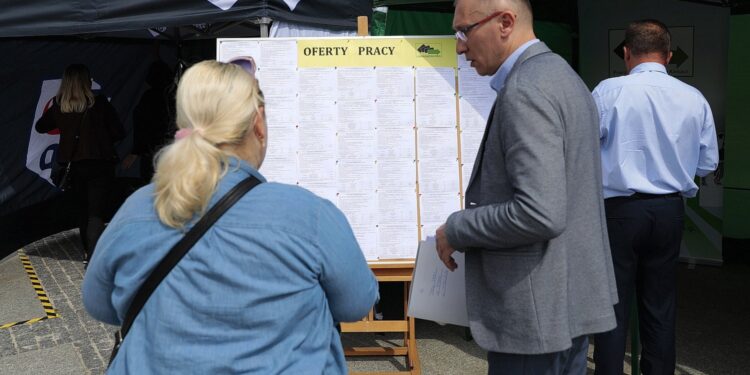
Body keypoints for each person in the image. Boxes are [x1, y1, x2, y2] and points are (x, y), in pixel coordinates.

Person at [81, 60, 379, 374]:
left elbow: (98, 302)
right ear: (258, 124)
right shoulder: (309, 214)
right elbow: (356, 303)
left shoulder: (137, 207)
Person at [435, 1, 618, 373]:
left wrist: (457, 228)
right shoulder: (562, 76)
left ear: (505, 23)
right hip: (565, 305)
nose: (459, 46)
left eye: (465, 31)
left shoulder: (526, 89)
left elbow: (540, 212)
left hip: (534, 316)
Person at [592, 20, 719, 375]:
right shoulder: (694, 98)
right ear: (668, 54)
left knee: (613, 304)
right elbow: (708, 163)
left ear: (627, 53)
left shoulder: (607, 91)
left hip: (618, 210)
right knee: (660, 304)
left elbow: (582, 150)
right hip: (669, 211)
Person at [36, 64, 125, 264]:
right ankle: (94, 257)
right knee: (96, 213)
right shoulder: (100, 104)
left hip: (73, 167)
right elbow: (119, 132)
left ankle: (87, 253)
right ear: (87, 81)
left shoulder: (60, 106)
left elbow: (41, 126)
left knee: (83, 212)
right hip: (100, 165)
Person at [121, 60, 175, 184]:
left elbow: (141, 124)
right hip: (172, 150)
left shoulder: (149, 97)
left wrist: (136, 151)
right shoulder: (174, 96)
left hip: (152, 151)